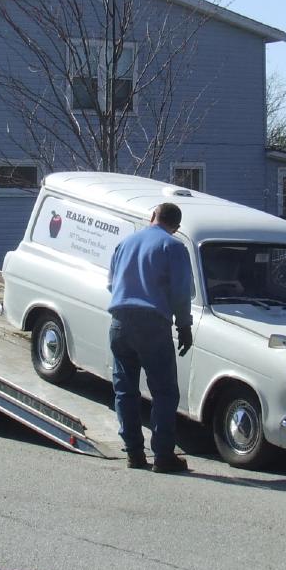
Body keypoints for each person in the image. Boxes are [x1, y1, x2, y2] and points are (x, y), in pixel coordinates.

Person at [107, 202, 195, 473]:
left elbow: (112, 284)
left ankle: (134, 453)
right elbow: (181, 294)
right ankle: (163, 455)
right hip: (152, 325)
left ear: (152, 216)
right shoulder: (174, 247)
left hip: (119, 322)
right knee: (164, 392)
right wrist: (184, 327)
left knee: (125, 390)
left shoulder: (125, 243)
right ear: (176, 227)